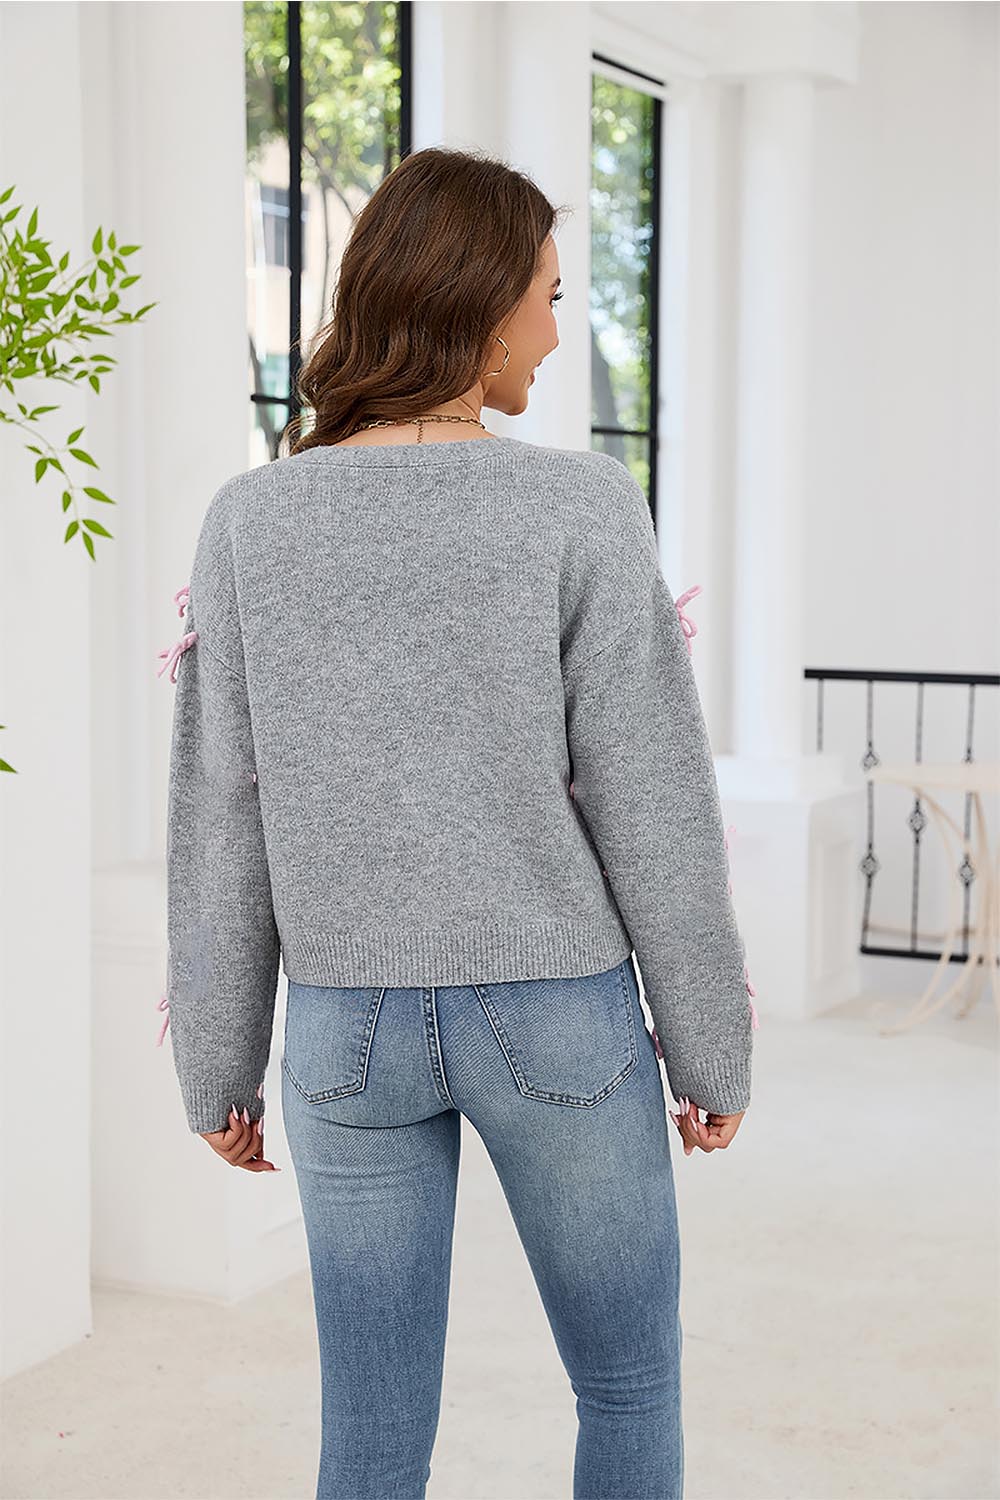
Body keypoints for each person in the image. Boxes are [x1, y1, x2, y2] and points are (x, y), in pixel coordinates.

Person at [163, 144, 755, 1500]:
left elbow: (221, 811)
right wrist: (710, 1045)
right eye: (547, 297)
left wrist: (216, 1062)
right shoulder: (579, 504)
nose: (553, 330)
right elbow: (652, 794)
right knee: (627, 1387)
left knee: (369, 1428)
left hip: (344, 1030)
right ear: (483, 308)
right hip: (559, 1015)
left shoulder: (251, 520)